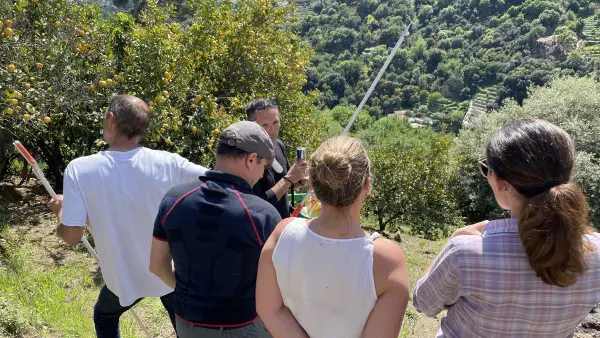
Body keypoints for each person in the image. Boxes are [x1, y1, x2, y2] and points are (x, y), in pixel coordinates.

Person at [413, 119, 600, 337]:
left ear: (501, 183)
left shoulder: (464, 252)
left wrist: (453, 239)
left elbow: (423, 303)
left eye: (486, 169)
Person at [48, 95, 207, 338]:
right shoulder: (168, 163)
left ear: (111, 119)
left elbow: (71, 235)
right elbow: (218, 183)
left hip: (123, 277)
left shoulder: (80, 169)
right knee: (186, 327)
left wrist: (60, 210)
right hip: (168, 270)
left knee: (105, 315)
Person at [256, 136, 410, 338]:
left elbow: (270, 311)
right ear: (367, 185)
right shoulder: (387, 259)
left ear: (312, 184)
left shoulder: (282, 234)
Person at [149, 121, 281, 338]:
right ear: (250, 159)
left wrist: (190, 296)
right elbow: (279, 285)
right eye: (263, 166)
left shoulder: (174, 199)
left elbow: (157, 265)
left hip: (186, 323)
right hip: (242, 326)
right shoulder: (262, 214)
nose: (261, 175)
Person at [246, 98, 307, 218]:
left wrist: (301, 179)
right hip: (263, 231)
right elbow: (258, 205)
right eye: (264, 125)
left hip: (282, 227)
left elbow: (288, 183)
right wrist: (289, 179)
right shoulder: (248, 157)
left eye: (275, 122)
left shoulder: (278, 145)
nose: (272, 130)